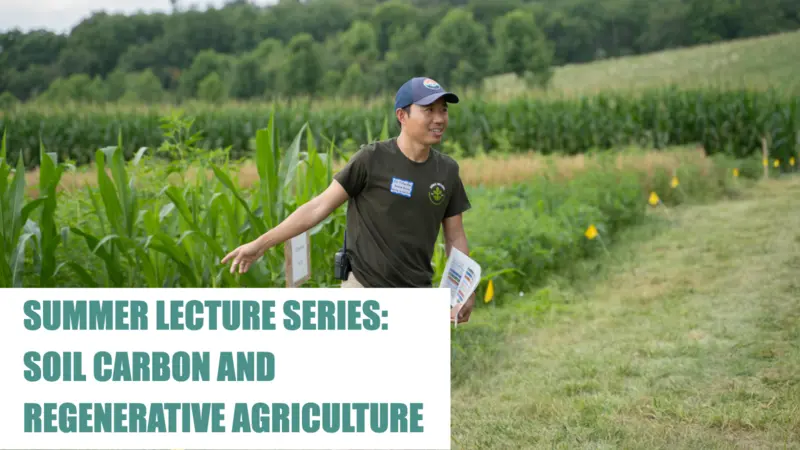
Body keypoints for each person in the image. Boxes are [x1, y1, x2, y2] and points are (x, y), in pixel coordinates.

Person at [221, 77, 476, 323]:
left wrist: (464, 290)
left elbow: (455, 236)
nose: (439, 119)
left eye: (443, 110)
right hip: (363, 290)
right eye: (428, 110)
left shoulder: (447, 171)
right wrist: (260, 244)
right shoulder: (371, 160)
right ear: (402, 115)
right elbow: (317, 207)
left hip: (417, 293)